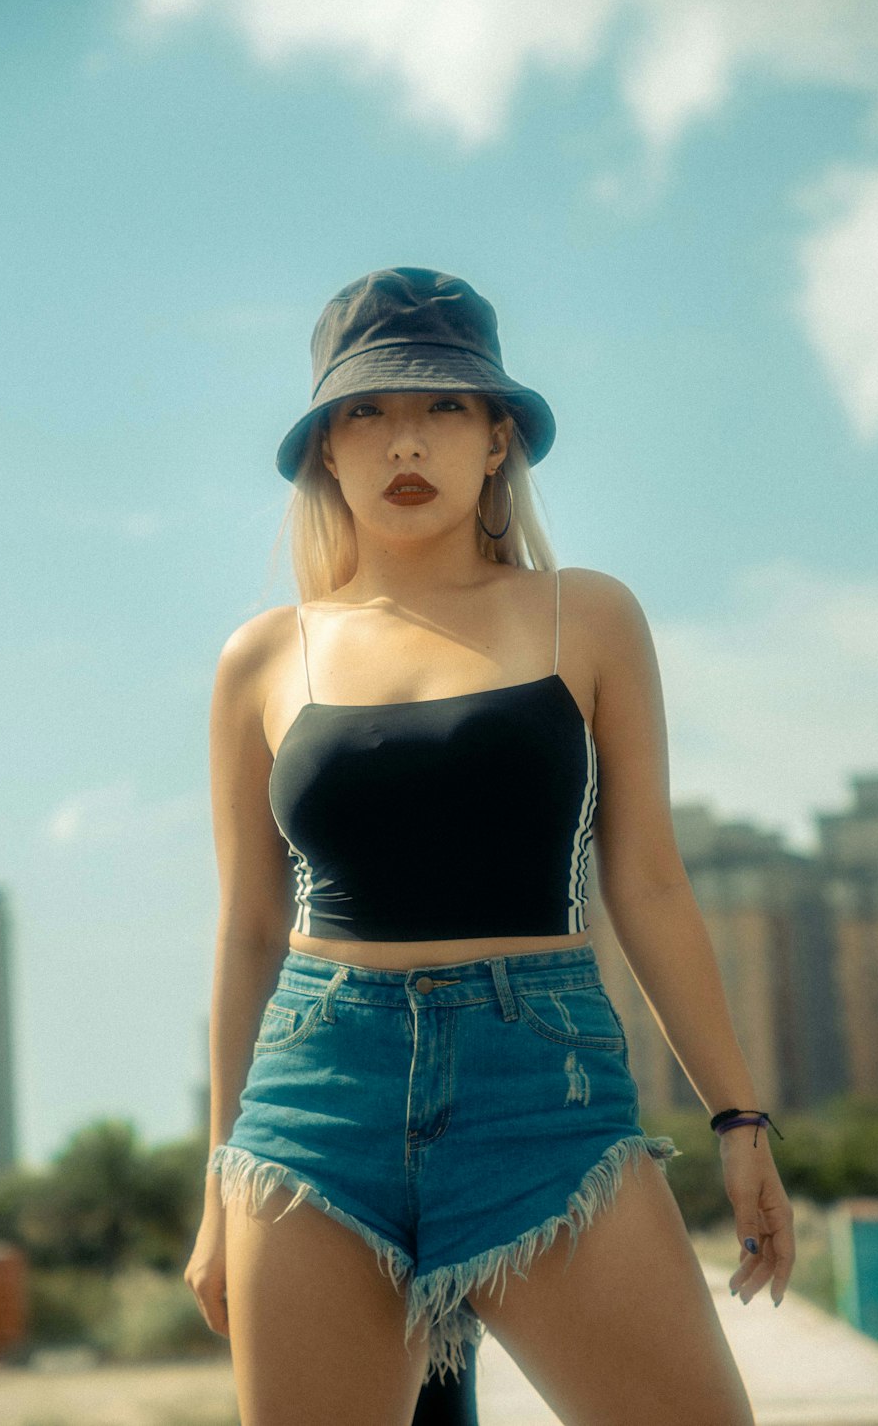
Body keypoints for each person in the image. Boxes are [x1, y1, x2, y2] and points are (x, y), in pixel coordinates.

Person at [184, 267, 795, 1426]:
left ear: (497, 437)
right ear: (323, 448)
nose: (402, 440)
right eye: (365, 411)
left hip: (542, 1090)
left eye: (442, 407)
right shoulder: (263, 658)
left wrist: (739, 1119)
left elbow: (649, 882)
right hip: (314, 1103)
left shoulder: (586, 615)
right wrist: (219, 1180)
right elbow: (248, 929)